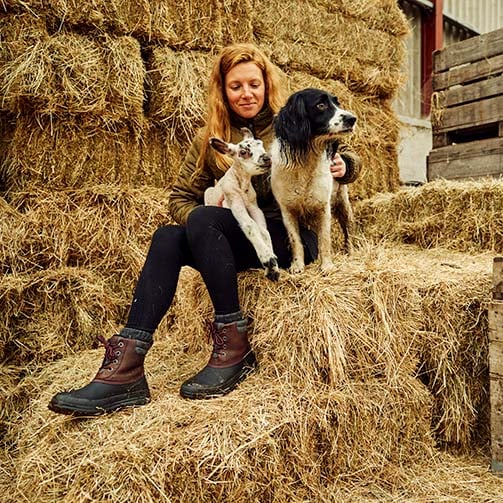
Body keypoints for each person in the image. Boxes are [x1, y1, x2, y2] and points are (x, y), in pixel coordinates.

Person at [48, 43, 361, 415]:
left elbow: (340, 150)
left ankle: (233, 343)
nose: (246, 93)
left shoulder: (292, 119)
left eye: (253, 84)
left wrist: (348, 166)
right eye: (236, 86)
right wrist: (207, 217)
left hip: (289, 238)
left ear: (266, 85)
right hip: (234, 238)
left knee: (203, 220)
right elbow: (180, 197)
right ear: (223, 91)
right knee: (170, 234)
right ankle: (126, 369)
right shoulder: (210, 137)